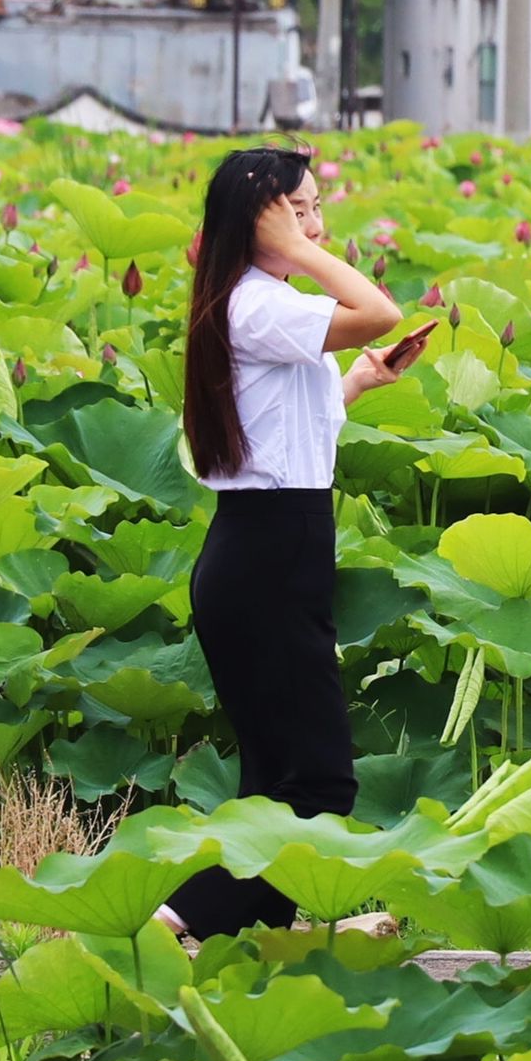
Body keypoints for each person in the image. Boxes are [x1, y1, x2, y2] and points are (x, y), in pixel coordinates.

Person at [154, 147, 405, 940]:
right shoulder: (259, 302)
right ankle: (170, 922)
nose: (316, 224)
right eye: (299, 209)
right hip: (269, 553)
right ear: (258, 222)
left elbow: (291, 428)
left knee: (272, 780)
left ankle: (247, 942)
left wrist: (359, 381)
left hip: (266, 547)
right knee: (322, 782)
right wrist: (300, 249)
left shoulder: (262, 305)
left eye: (318, 207)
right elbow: (380, 308)